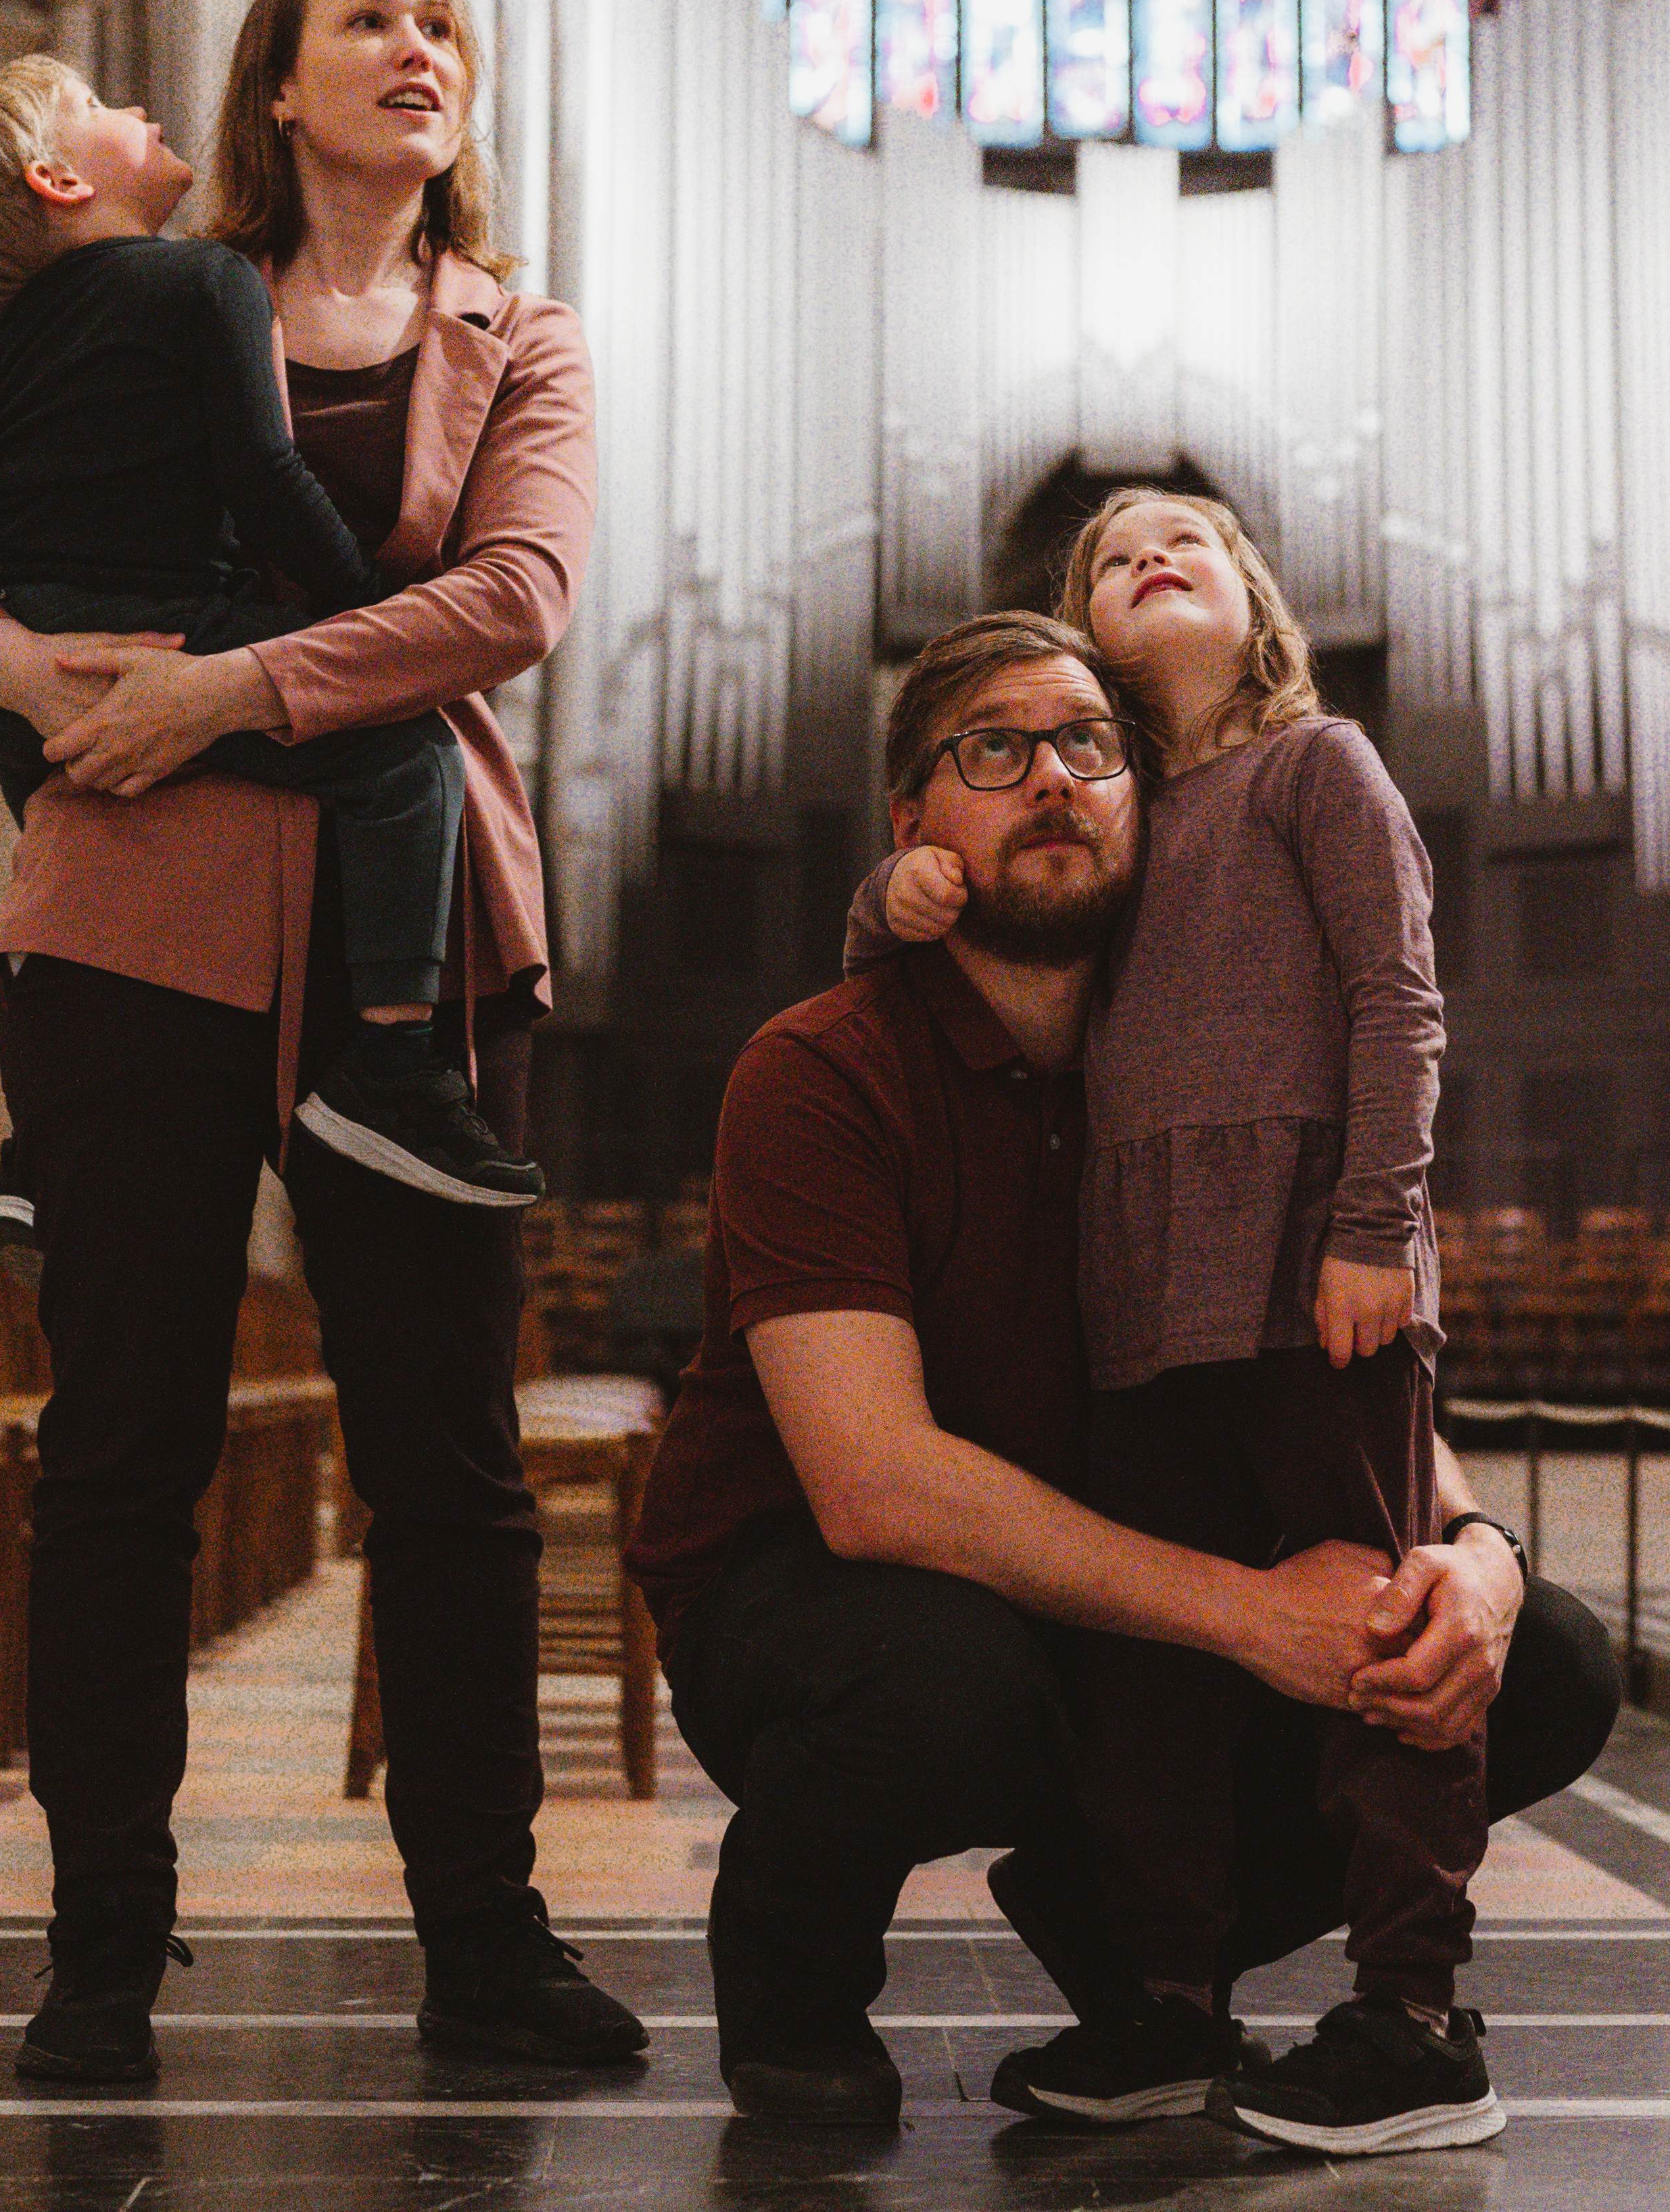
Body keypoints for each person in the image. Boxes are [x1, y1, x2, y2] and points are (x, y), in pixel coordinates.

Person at [0, 0, 645, 2092]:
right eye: (370, 20)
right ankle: (99, 1953)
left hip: (418, 946)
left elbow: (515, 598)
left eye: (441, 23)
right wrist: (11, 667)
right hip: (132, 912)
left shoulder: (521, 335)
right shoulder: (133, 284)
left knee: (451, 1461)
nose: (421, 47)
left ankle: (483, 1944)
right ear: (277, 91)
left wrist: (238, 684)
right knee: (121, 1449)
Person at [625, 611, 1618, 2132]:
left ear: (1147, 805)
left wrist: (1475, 1557)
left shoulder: (1200, 1079)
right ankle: (792, 1979)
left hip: (1106, 1580)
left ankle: (1141, 1948)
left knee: (1532, 1663)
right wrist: (1251, 1617)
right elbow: (874, 1485)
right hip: (812, 1588)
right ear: (912, 829)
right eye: (993, 747)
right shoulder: (818, 1067)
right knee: (950, 1681)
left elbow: (1336, 1377)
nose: (1052, 778)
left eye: (1088, 743)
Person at [866, 498, 1494, 2153]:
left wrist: (1373, 1228)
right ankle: (1164, 2000)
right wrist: (899, 899)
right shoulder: (1115, 815)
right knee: (1153, 1677)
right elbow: (992, 949)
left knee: (1372, 1627)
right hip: (1141, 1303)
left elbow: (1397, 998)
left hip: (1314, 1281)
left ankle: (1413, 2016)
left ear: (1253, 601)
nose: (1147, 551)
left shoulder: (1317, 767)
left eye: (1184, 541)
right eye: (1110, 554)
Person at [0, 51, 539, 1220]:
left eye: (436, 24)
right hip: (180, 622)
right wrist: (353, 617)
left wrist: (30, 434)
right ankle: (390, 1064)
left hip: (55, 639)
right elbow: (267, 473)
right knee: (411, 762)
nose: (134, 106)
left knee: (59, 811)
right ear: (56, 179)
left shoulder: (3, 339)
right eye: (97, 108)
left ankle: (34, 1149)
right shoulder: (209, 284)